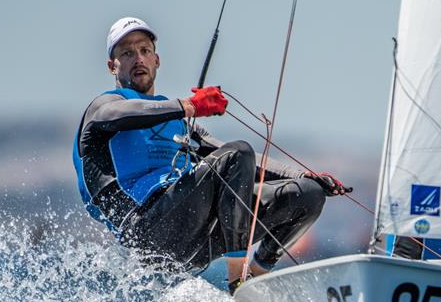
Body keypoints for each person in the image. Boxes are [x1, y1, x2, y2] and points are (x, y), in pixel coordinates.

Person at [73, 17, 349, 285]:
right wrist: (189, 105)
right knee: (236, 152)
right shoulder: (103, 108)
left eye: (145, 51)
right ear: (113, 66)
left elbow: (236, 159)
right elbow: (119, 112)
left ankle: (256, 274)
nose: (138, 58)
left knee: (306, 195)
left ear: (157, 60)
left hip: (197, 232)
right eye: (128, 53)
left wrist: (307, 176)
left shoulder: (179, 122)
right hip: (147, 231)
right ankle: (236, 277)